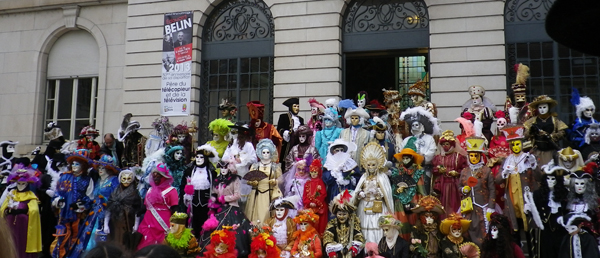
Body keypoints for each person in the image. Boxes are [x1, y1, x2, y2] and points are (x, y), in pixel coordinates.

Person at [198, 160, 251, 257]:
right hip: (219, 208)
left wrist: (224, 199)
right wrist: (213, 199)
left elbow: (238, 195)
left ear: (229, 168)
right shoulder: (217, 180)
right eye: (221, 167)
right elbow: (214, 193)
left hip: (232, 207)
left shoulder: (235, 179)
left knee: (233, 230)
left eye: (225, 167)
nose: (223, 170)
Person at [496, 125, 537, 251]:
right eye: (512, 145)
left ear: (522, 144)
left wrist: (533, 164)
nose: (515, 147)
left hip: (526, 201)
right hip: (512, 201)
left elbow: (538, 176)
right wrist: (504, 173)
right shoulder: (507, 160)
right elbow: (497, 180)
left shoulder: (527, 159)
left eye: (517, 144)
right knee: (515, 231)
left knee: (529, 230)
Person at [72, 155, 120, 255]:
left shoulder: (114, 180)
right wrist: (84, 205)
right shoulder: (98, 181)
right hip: (94, 213)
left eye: (103, 168)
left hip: (108, 214)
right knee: (89, 235)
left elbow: (116, 198)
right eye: (99, 168)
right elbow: (93, 197)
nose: (100, 170)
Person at [51, 149, 94, 258]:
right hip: (64, 213)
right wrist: (58, 201)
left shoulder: (88, 180)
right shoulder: (64, 177)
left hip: (78, 215)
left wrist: (80, 205)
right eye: (73, 163)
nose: (74, 166)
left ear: (83, 166)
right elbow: (57, 193)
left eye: (77, 164)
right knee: (61, 236)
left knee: (77, 236)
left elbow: (89, 197)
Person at [353, 142, 394, 243]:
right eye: (369, 165)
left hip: (378, 207)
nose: (371, 167)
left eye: (373, 165)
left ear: (377, 165)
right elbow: (357, 191)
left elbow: (387, 192)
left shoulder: (382, 177)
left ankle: (378, 249)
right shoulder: (363, 177)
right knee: (364, 228)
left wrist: (379, 193)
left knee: (378, 228)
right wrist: (360, 194)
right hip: (364, 206)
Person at [458, 137, 495, 246]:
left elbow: (492, 189)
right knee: (468, 230)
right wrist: (463, 190)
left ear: (480, 156)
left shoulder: (486, 171)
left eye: (476, 156)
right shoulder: (465, 171)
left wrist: (491, 207)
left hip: (483, 206)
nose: (473, 158)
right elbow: (459, 186)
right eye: (471, 155)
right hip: (468, 207)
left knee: (483, 231)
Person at [0, 164, 42, 258]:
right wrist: (8, 209)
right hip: (10, 222)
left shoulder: (31, 196)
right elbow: (3, 208)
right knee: (10, 240)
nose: (20, 186)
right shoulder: (11, 194)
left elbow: (34, 211)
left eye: (23, 184)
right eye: (18, 183)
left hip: (24, 224)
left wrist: (24, 211)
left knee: (22, 242)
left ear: (27, 184)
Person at [529, 160, 568, 258]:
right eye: (548, 179)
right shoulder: (538, 194)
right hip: (546, 231)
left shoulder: (564, 194)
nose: (550, 181)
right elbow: (534, 210)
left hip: (560, 230)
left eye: (553, 179)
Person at [136, 163, 179, 250]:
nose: (155, 178)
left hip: (163, 222)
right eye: (154, 175)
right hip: (148, 221)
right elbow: (145, 206)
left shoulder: (171, 190)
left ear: (164, 177)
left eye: (158, 176)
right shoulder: (150, 189)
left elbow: (174, 208)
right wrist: (137, 213)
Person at [179, 145, 219, 238]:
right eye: (197, 157)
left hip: (206, 203)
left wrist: (213, 198)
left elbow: (214, 186)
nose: (199, 159)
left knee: (205, 222)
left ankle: (204, 240)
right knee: (192, 222)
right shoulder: (189, 171)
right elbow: (183, 185)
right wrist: (185, 195)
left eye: (201, 157)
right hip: (192, 202)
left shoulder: (211, 172)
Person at [390, 147, 426, 240]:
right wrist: (397, 191)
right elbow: (394, 188)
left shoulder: (417, 172)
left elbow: (421, 190)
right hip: (399, 202)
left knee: (413, 224)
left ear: (412, 159)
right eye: (404, 158)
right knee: (401, 225)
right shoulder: (397, 172)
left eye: (408, 158)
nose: (405, 161)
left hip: (414, 200)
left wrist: (422, 204)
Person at [245, 139, 283, 222]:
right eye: (264, 152)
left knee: (266, 213)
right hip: (256, 194)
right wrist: (252, 182)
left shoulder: (275, 166)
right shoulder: (255, 166)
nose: (265, 154)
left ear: (271, 153)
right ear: (260, 153)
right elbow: (248, 179)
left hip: (269, 193)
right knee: (254, 214)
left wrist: (275, 181)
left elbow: (281, 179)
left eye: (267, 152)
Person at [523, 95, 568, 167]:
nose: (542, 109)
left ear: (548, 107)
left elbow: (562, 132)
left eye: (544, 107)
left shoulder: (555, 120)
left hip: (550, 151)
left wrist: (551, 136)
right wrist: (531, 132)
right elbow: (525, 135)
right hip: (537, 151)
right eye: (540, 107)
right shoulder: (532, 121)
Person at [431, 130, 467, 217]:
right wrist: (438, 170)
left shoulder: (459, 157)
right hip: (442, 185)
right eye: (443, 144)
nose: (445, 146)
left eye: (447, 144)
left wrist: (457, 173)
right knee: (443, 204)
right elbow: (433, 170)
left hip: (455, 184)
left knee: (455, 203)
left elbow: (465, 170)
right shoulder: (438, 158)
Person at [106, 169, 142, 251]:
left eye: (129, 179)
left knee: (126, 244)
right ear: (120, 178)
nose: (126, 181)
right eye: (124, 178)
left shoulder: (135, 193)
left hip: (128, 222)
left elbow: (137, 210)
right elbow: (109, 207)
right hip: (115, 221)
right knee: (114, 241)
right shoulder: (115, 192)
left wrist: (136, 225)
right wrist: (106, 223)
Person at [322, 190, 364, 258]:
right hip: (337, 252)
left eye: (344, 214)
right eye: (339, 214)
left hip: (350, 251)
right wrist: (331, 250)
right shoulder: (332, 223)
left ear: (348, 214)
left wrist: (355, 248)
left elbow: (358, 236)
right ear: (336, 214)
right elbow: (327, 236)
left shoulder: (353, 223)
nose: (341, 216)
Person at [322, 139, 361, 205]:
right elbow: (326, 179)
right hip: (334, 190)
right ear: (333, 151)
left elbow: (357, 178)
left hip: (348, 190)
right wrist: (335, 172)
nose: (340, 152)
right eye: (337, 150)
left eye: (341, 150)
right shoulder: (329, 163)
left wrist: (348, 177)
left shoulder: (350, 162)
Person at [277, 97, 305, 168]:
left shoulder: (301, 119)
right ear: (290, 107)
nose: (297, 108)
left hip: (298, 142)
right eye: (295, 106)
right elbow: (279, 129)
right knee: (286, 161)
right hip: (288, 143)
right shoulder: (284, 117)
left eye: (298, 106)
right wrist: (286, 133)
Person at [302, 159, 328, 234]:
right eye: (312, 172)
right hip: (309, 208)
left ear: (318, 172)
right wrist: (309, 203)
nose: (313, 174)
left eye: (315, 172)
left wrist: (316, 202)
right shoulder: (307, 183)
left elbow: (323, 194)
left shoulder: (321, 182)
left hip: (319, 207)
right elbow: (305, 196)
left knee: (319, 226)